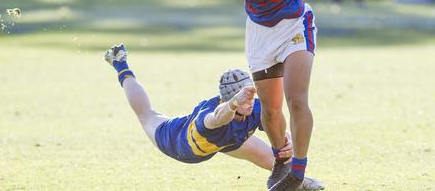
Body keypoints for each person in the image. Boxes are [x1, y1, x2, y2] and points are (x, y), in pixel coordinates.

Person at [173, 0, 364, 190]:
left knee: (296, 99)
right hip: (260, 34)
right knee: (271, 112)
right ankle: (281, 163)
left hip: (294, 26)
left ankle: (297, 173)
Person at [102, 44, 324, 190]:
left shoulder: (254, 106)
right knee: (147, 114)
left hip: (225, 141)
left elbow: (277, 126)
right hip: (179, 142)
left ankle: (300, 180)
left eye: (250, 95)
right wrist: (235, 102)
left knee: (275, 157)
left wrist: (289, 141)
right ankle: (120, 63)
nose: (250, 102)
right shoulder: (212, 116)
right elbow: (218, 117)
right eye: (243, 98)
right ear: (229, 98)